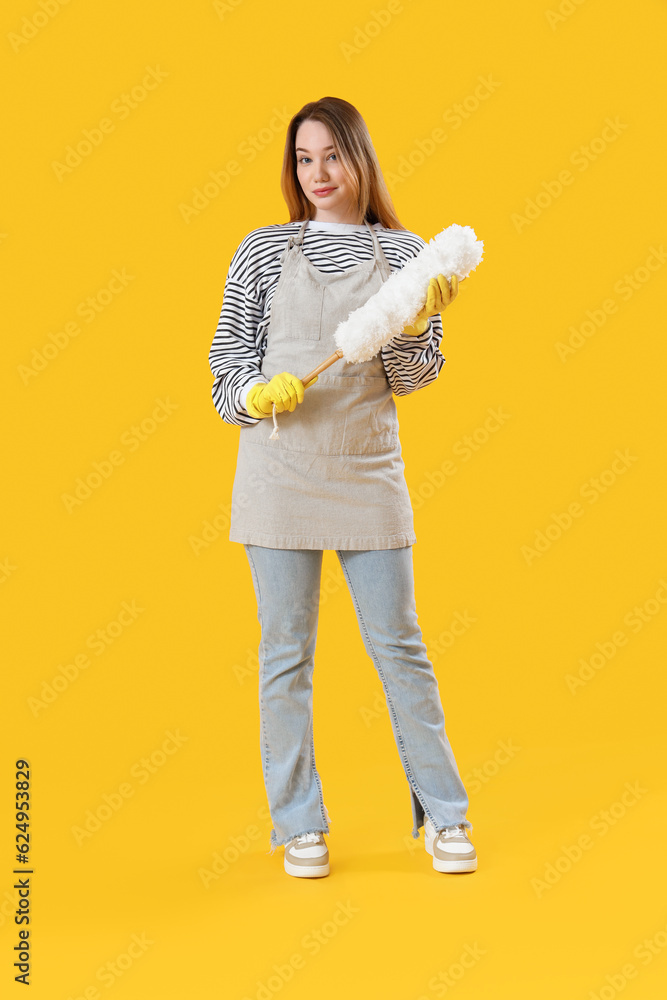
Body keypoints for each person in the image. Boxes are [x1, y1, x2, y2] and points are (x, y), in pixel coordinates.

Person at [208, 96, 477, 877]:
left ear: (359, 158)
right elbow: (225, 368)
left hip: (366, 471)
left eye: (332, 156)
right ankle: (298, 824)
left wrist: (419, 325)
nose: (318, 174)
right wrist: (254, 395)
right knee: (284, 653)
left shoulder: (405, 256)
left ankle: (444, 816)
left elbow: (412, 379)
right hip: (277, 471)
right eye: (303, 159)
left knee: (399, 647)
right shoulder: (262, 250)